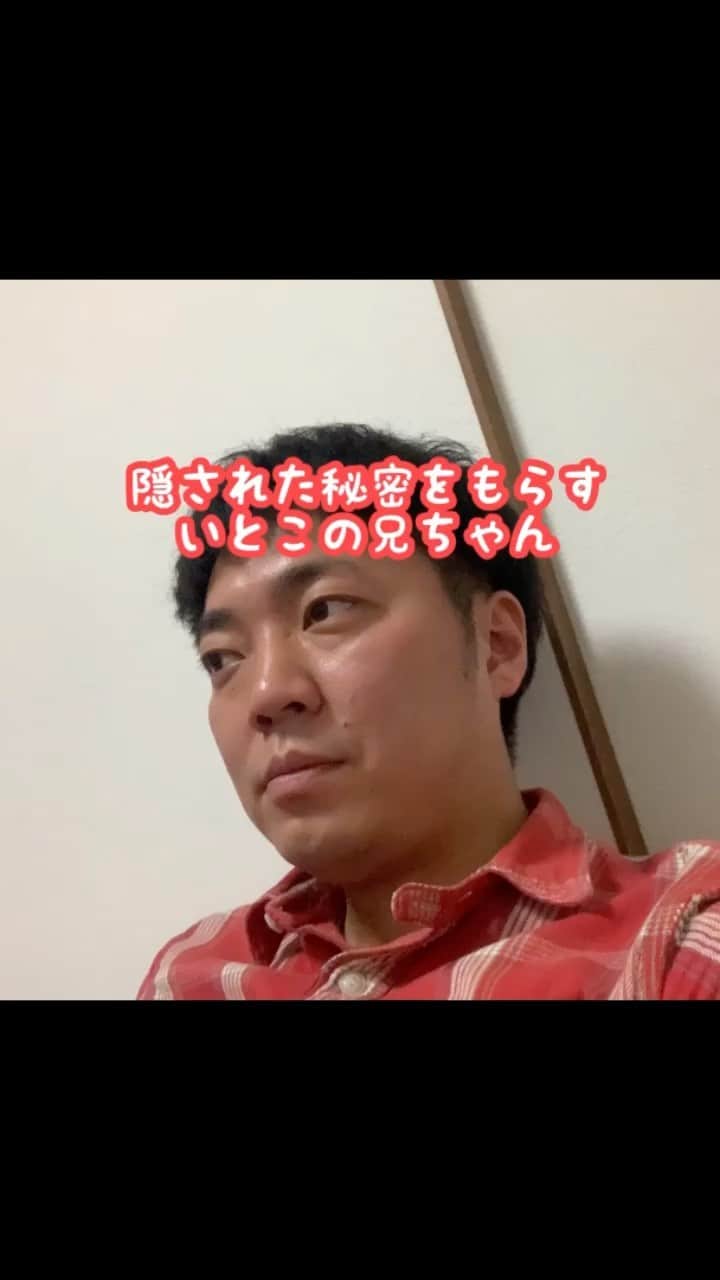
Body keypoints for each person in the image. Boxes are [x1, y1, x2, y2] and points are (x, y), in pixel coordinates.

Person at [138, 423, 720, 1000]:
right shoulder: (192, 969)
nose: (266, 693)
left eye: (325, 610)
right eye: (222, 658)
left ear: (497, 645)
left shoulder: (678, 939)